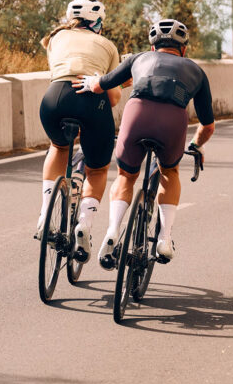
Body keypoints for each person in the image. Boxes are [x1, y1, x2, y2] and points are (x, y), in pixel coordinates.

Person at [75, 19, 215, 266]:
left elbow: (101, 84)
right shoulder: (196, 71)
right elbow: (208, 125)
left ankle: (113, 231)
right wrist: (196, 144)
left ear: (153, 48)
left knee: (126, 176)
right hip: (173, 118)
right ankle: (164, 238)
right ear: (184, 49)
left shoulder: (138, 59)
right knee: (169, 172)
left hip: (137, 113)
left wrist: (88, 82)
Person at [37, 0, 122, 263]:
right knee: (96, 168)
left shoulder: (55, 38)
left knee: (59, 147)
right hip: (91, 102)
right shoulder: (108, 45)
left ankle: (43, 216)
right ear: (98, 22)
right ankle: (84, 223)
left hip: (54, 98)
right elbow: (114, 97)